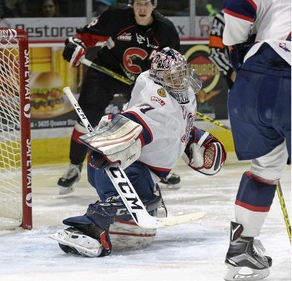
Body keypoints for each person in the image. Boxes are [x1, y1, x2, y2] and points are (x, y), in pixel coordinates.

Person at [50, 47, 227, 257]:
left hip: (137, 168)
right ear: (160, 80)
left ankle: (122, 211)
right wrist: (112, 144)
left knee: (150, 199)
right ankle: (93, 226)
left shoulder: (181, 96)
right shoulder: (157, 104)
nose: (180, 80)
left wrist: (191, 138)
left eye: (182, 73)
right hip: (115, 165)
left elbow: (172, 128)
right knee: (141, 200)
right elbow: (139, 123)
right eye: (173, 76)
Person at [57, 0, 181, 195]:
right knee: (86, 117)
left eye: (146, 4)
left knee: (151, 120)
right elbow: (86, 35)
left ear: (154, 5)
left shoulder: (166, 30)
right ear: (132, 4)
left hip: (141, 80)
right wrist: (77, 44)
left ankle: (154, 168)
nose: (142, 9)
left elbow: (172, 63)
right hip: (106, 70)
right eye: (138, 3)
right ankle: (74, 166)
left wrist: (158, 81)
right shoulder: (116, 16)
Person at [221, 0, 291, 280]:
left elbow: (239, 4)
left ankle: (242, 248)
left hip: (251, 83)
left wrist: (237, 49)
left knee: (264, 170)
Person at [208, 11, 235, 90]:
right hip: (236, 77)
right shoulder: (222, 17)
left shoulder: (258, 12)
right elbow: (214, 51)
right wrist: (230, 71)